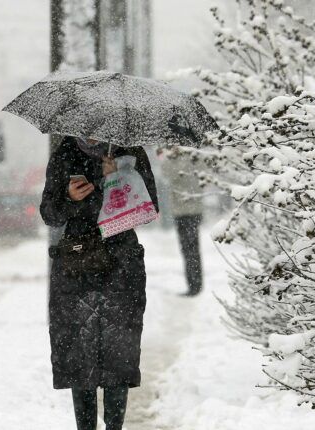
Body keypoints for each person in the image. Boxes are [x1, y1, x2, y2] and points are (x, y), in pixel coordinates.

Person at [40, 135, 158, 430]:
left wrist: (119, 180)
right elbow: (49, 213)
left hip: (122, 263)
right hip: (77, 263)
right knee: (79, 353)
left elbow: (149, 208)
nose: (92, 133)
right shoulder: (65, 151)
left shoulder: (129, 151)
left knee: (119, 352)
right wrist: (70, 198)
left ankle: (114, 427)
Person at [159, 147, 204, 297]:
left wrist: (163, 158)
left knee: (189, 249)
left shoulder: (183, 159)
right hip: (187, 210)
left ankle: (194, 286)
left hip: (187, 211)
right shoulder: (190, 156)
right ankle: (194, 285)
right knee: (189, 249)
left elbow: (169, 174)